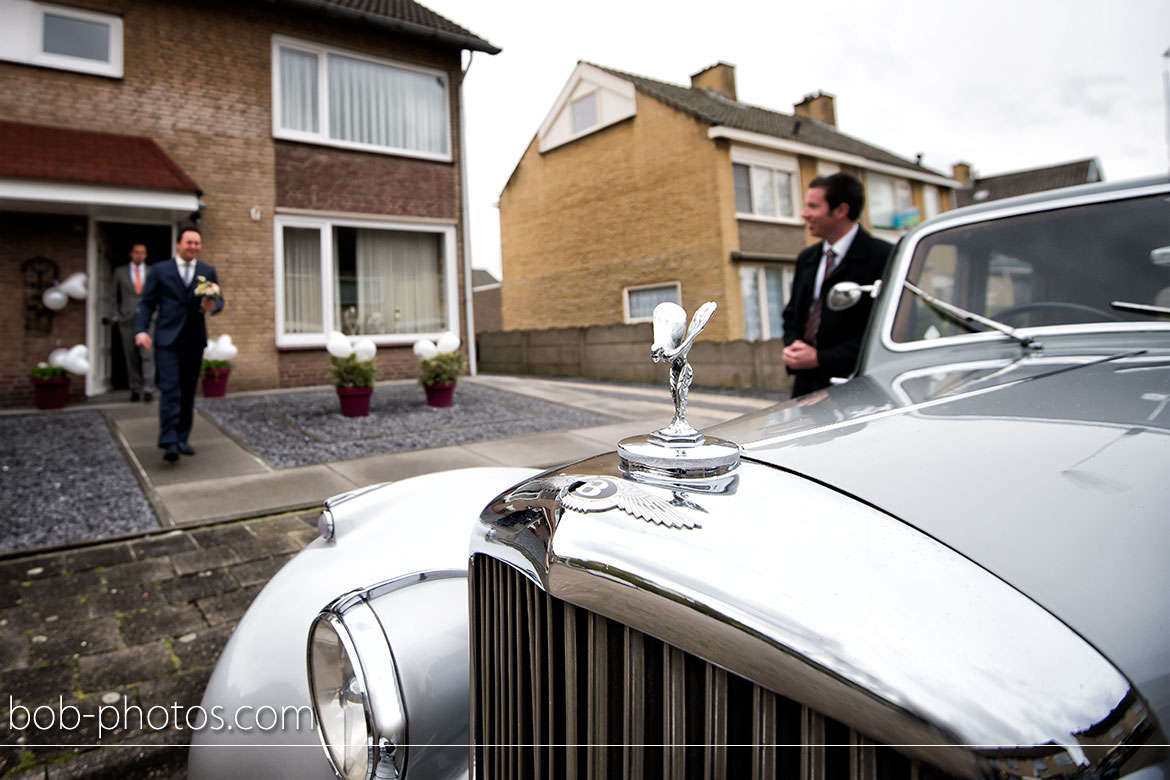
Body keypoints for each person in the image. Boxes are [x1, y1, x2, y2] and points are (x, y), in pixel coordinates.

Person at [782, 173, 892, 397]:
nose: (804, 214)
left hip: (857, 390)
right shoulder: (807, 258)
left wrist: (821, 359)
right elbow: (792, 314)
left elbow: (883, 329)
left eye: (813, 206)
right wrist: (795, 350)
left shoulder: (884, 257)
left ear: (841, 210)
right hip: (806, 388)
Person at [135, 227, 223, 462]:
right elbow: (147, 304)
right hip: (167, 340)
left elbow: (218, 301)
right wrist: (142, 330)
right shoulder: (160, 270)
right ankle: (169, 439)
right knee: (170, 388)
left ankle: (183, 437)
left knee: (187, 391)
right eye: (189, 242)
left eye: (197, 243)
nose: (193, 246)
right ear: (179, 244)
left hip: (194, 340)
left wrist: (212, 305)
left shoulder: (207, 271)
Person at [112, 243, 155, 402]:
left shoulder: (152, 272)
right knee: (131, 355)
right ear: (131, 254)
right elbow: (113, 297)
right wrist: (117, 315)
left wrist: (156, 313)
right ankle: (135, 388)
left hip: (148, 319)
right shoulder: (120, 272)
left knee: (148, 354)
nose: (139, 255)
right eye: (136, 252)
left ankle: (149, 388)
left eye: (142, 253)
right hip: (127, 319)